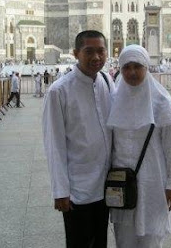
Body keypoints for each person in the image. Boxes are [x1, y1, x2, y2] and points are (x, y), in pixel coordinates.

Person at [107, 45, 171, 248]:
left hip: (153, 182)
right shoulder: (114, 100)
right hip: (121, 183)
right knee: (124, 240)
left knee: (151, 240)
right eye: (127, 67)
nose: (132, 72)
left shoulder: (160, 102)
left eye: (137, 67)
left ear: (146, 68)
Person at [43, 30, 114, 248]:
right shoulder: (59, 91)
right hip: (78, 189)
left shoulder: (106, 80)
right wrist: (60, 190)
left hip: (106, 185)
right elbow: (54, 144)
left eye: (101, 51)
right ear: (76, 53)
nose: (96, 57)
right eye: (89, 51)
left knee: (99, 241)